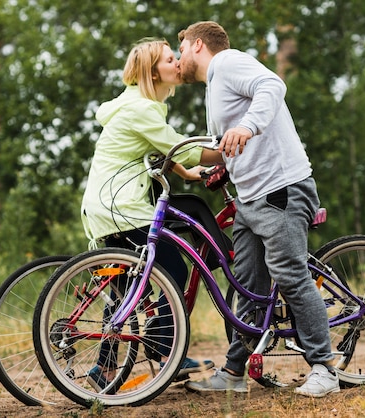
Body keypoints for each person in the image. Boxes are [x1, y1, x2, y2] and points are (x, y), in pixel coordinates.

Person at [177, 21, 340, 398]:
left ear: (198, 45)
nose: (177, 57)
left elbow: (273, 86)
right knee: (247, 287)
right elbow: (230, 145)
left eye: (180, 48)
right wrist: (211, 167)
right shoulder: (214, 87)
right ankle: (234, 372)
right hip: (251, 198)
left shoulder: (229, 63)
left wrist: (248, 126)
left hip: (281, 189)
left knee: (291, 275)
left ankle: (325, 368)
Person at [80, 38, 222, 391]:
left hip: (102, 207)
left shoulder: (132, 104)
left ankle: (104, 369)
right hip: (122, 208)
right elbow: (177, 147)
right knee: (173, 270)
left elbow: (156, 149)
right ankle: (163, 348)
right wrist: (227, 152)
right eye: (170, 60)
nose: (177, 64)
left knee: (126, 292)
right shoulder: (143, 109)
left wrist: (186, 175)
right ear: (151, 72)